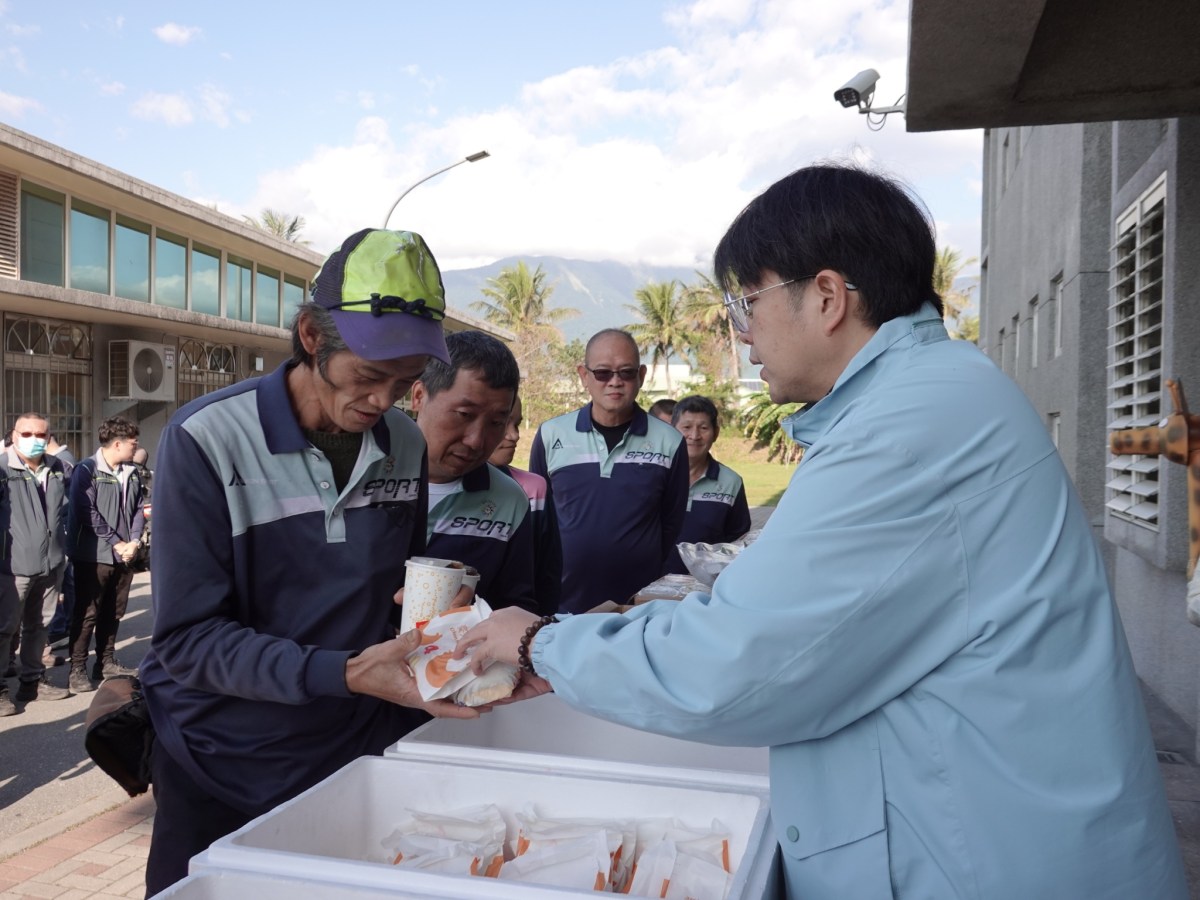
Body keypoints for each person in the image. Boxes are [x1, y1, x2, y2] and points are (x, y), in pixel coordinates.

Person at [457, 164, 1188, 899]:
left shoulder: (910, 426)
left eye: (750, 302)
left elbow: (739, 665)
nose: (743, 339)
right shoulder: (927, 399)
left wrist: (538, 643)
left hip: (993, 862)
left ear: (829, 297)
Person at [138, 228, 481, 896]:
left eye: (405, 382)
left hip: (348, 753)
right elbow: (186, 641)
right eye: (368, 376)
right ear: (310, 337)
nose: (383, 401)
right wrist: (348, 673)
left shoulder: (404, 442)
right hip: (220, 761)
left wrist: (435, 618)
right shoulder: (207, 440)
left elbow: (398, 579)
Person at [529, 329, 688, 613]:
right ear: (584, 375)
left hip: (637, 606)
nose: (615, 382)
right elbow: (540, 523)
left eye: (626, 373)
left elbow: (670, 522)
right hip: (563, 602)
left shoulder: (670, 441)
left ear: (641, 375)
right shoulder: (551, 434)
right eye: (603, 373)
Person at [410, 330, 538, 613]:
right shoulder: (365, 478)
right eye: (464, 415)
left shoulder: (509, 501)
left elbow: (516, 606)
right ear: (418, 396)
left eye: (496, 423)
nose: (476, 441)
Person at [65, 415, 146, 694]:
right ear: (117, 443)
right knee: (88, 612)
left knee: (114, 610)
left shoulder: (131, 472)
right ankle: (77, 668)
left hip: (124, 554)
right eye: (133, 443)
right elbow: (86, 513)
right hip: (93, 553)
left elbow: (137, 509)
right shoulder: (86, 470)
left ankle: (106, 662)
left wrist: (134, 541)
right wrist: (116, 541)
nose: (136, 447)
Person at [0, 413, 73, 713]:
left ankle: (32, 681)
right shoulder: (3, 471)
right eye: (27, 434)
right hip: (12, 566)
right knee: (4, 629)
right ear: (14, 436)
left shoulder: (57, 469)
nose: (34, 440)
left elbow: (64, 512)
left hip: (51, 563)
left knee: (39, 626)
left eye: (41, 435)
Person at [487, 393, 563, 615]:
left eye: (517, 424)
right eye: (500, 423)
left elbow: (548, 573)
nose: (514, 435)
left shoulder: (535, 489)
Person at [664, 395, 751, 574]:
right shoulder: (654, 475)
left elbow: (738, 539)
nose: (694, 436)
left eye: (703, 428)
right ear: (672, 430)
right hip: (651, 583)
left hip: (706, 586)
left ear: (716, 433)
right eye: (686, 427)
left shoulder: (731, 482)